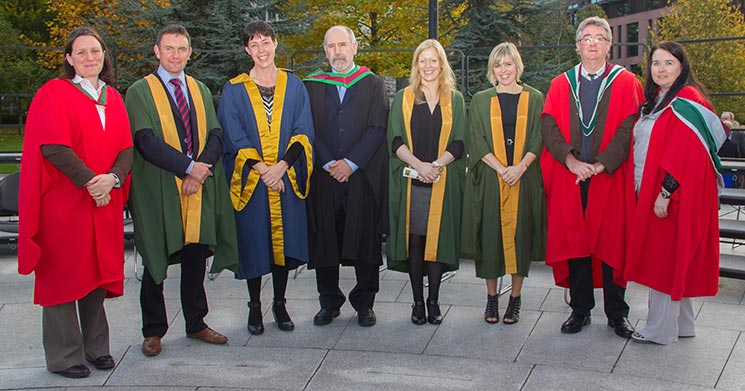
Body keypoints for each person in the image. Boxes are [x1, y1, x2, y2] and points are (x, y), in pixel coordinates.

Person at [18, 26, 132, 378]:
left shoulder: (112, 97)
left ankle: (97, 348)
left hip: (102, 201)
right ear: (69, 59)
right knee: (63, 274)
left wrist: (112, 179)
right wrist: (90, 182)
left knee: (95, 274)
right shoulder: (55, 93)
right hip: (66, 202)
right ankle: (65, 356)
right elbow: (52, 146)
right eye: (80, 52)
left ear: (104, 56)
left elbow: (126, 149)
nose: (89, 58)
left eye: (95, 51)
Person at [125, 24, 238, 356]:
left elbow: (216, 135)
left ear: (190, 52)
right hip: (158, 188)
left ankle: (196, 322)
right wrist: (188, 168)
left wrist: (200, 170)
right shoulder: (139, 91)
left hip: (197, 186)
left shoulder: (200, 89)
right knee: (156, 256)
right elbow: (145, 141)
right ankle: (154, 330)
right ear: (157, 51)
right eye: (169, 48)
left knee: (195, 256)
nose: (176, 55)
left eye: (182, 49)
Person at [540, 16, 643, 337]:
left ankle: (617, 313)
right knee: (576, 243)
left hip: (608, 175)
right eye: (586, 38)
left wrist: (601, 164)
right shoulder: (561, 84)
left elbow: (630, 129)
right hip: (573, 177)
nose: (593, 43)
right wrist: (570, 161)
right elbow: (549, 126)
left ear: (610, 45)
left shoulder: (627, 83)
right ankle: (580, 310)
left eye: (599, 37)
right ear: (577, 45)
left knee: (612, 242)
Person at [624, 41, 726, 345]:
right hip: (654, 187)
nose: (661, 69)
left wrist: (665, 193)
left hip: (672, 192)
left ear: (682, 66)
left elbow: (686, 153)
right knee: (672, 254)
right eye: (656, 63)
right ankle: (683, 324)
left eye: (668, 63)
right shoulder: (660, 98)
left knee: (664, 258)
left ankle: (658, 330)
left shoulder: (687, 100)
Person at [218, 21, 314, 335]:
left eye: (265, 42)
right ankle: (255, 306)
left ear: (275, 43)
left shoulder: (294, 84)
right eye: (254, 44)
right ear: (247, 49)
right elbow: (234, 135)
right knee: (255, 242)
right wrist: (264, 171)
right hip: (253, 180)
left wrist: (282, 167)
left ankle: (280, 303)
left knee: (283, 245)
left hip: (284, 176)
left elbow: (303, 130)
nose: (261, 49)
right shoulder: (234, 89)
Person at [304, 25, 389, 327]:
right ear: (325, 51)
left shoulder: (372, 83)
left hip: (360, 176)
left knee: (365, 240)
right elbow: (306, 129)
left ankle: (364, 303)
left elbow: (378, 127)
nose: (337, 52)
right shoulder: (312, 85)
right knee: (325, 239)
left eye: (342, 45)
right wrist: (328, 162)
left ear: (355, 47)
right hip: (324, 177)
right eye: (331, 46)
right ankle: (329, 302)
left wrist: (350, 163)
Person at [461, 42, 545, 325]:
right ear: (491, 70)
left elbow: (538, 136)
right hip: (490, 177)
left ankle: (515, 300)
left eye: (508, 64)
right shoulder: (482, 99)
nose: (504, 70)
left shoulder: (534, 98)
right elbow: (476, 139)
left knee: (520, 237)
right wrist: (501, 168)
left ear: (517, 66)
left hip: (524, 177)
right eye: (498, 65)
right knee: (491, 236)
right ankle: (491, 299)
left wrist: (519, 168)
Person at [387, 39, 465, 325]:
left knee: (437, 242)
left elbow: (459, 142)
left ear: (442, 64)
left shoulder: (454, 99)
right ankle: (417, 302)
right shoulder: (404, 97)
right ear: (416, 65)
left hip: (441, 180)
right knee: (416, 240)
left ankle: (434, 302)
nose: (428, 66)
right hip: (413, 181)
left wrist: (435, 166)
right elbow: (394, 140)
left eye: (434, 60)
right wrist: (419, 165)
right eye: (423, 60)